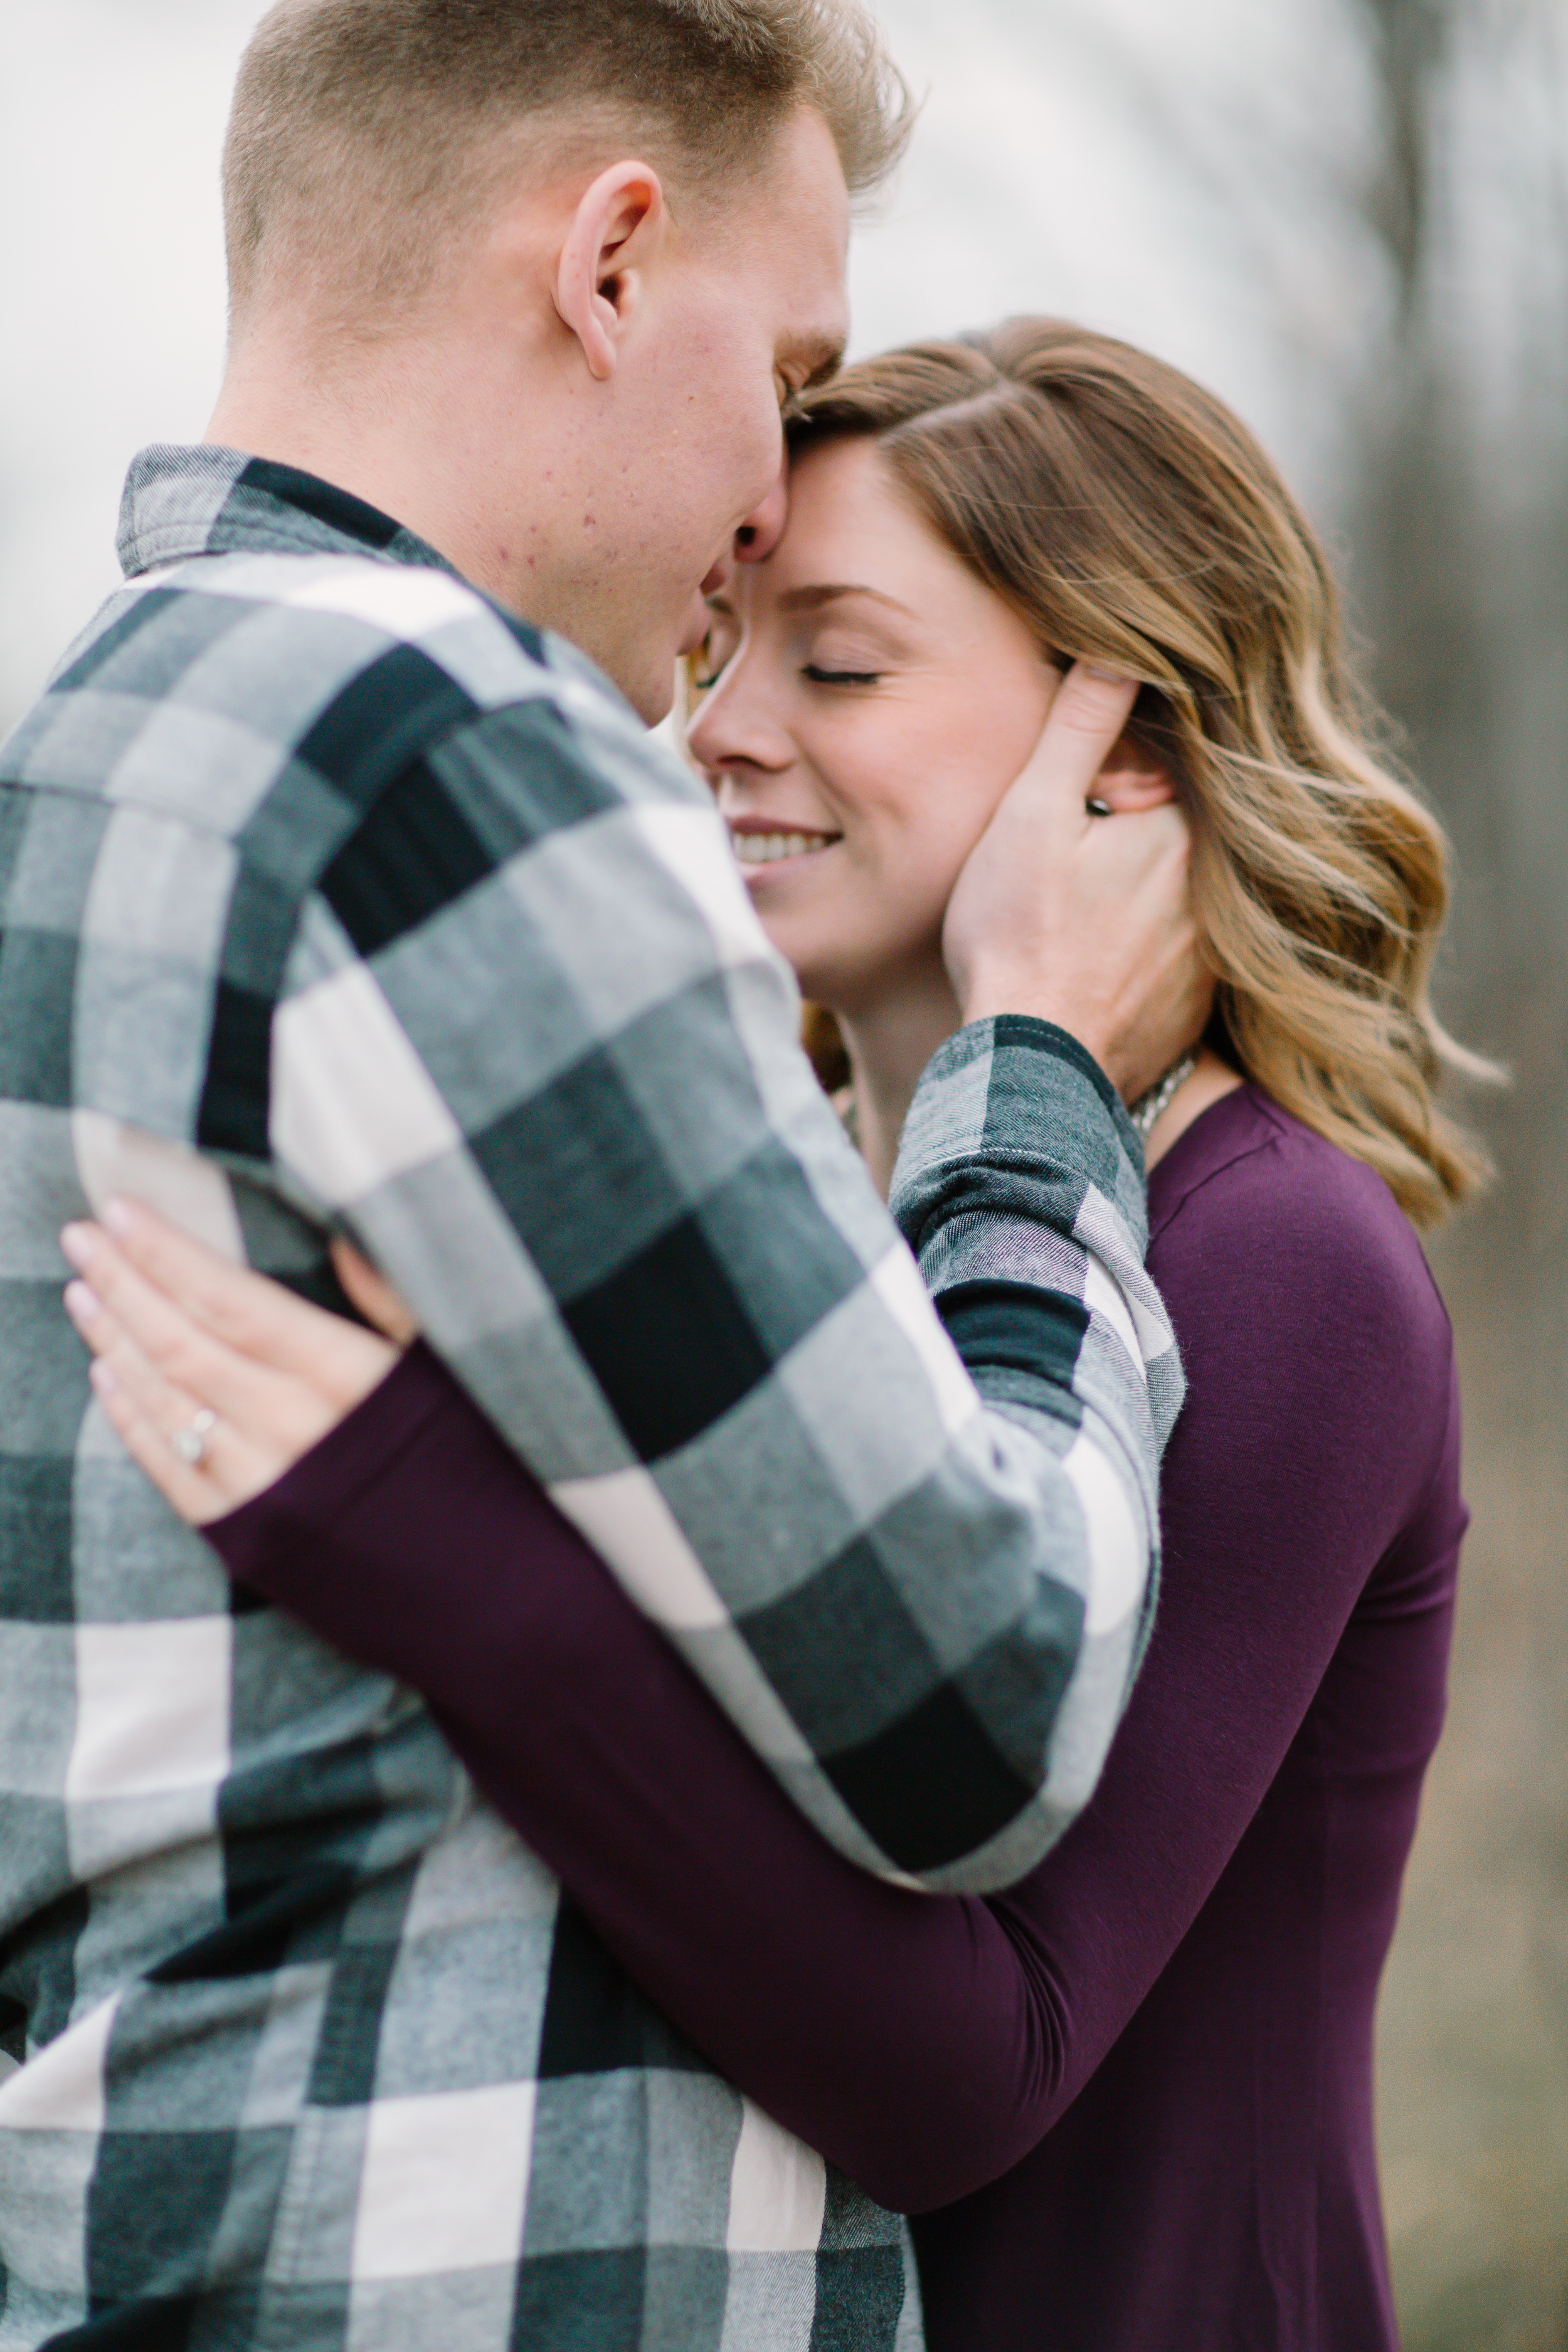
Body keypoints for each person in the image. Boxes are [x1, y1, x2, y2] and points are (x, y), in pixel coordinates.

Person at [64, 321, 1492, 2350]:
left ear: (1128, 748)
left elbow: (963, 2075)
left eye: (834, 663)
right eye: (724, 652)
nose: (717, 730)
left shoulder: (1282, 1263)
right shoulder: (773, 1230)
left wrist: (427, 1545)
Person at [0, 3, 1204, 2343]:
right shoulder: (448, 765)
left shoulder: (75, 746)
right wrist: (1037, 1086)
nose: (770, 485)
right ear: (613, 264)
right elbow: (983, 1701)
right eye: (787, 364)